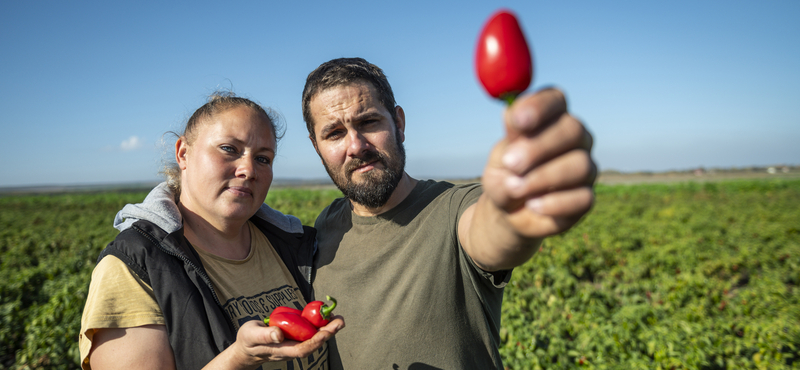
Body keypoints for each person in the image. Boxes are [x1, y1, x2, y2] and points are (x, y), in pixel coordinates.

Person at [301, 57, 596, 369]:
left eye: (369, 122)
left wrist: (515, 212)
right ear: (316, 146)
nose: (356, 145)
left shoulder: (455, 207)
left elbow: (491, 230)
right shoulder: (326, 226)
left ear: (398, 124)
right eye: (334, 133)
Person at [78, 93, 344, 370]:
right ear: (183, 153)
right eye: (229, 149)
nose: (248, 169)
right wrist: (238, 358)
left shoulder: (291, 243)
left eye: (263, 159)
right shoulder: (134, 265)